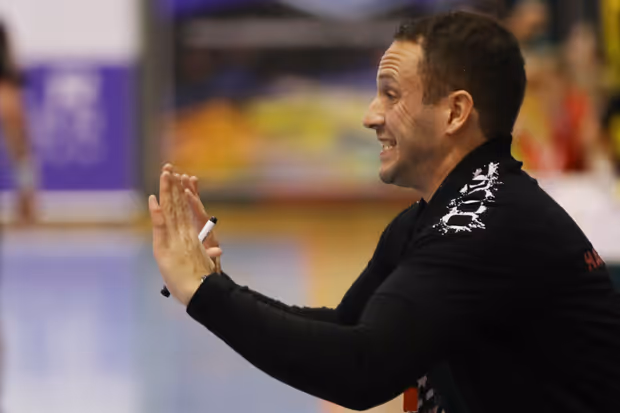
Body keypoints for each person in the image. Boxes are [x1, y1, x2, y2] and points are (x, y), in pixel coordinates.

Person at [149, 11, 620, 413]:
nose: (370, 116)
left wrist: (206, 294)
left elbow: (363, 369)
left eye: (391, 95)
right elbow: (347, 326)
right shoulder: (444, 214)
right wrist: (215, 286)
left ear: (455, 113)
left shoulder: (479, 226)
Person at [0, 20, 37, 224]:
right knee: (21, 152)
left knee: (20, 150)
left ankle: (26, 204)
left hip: (6, 84)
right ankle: (26, 203)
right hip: (7, 85)